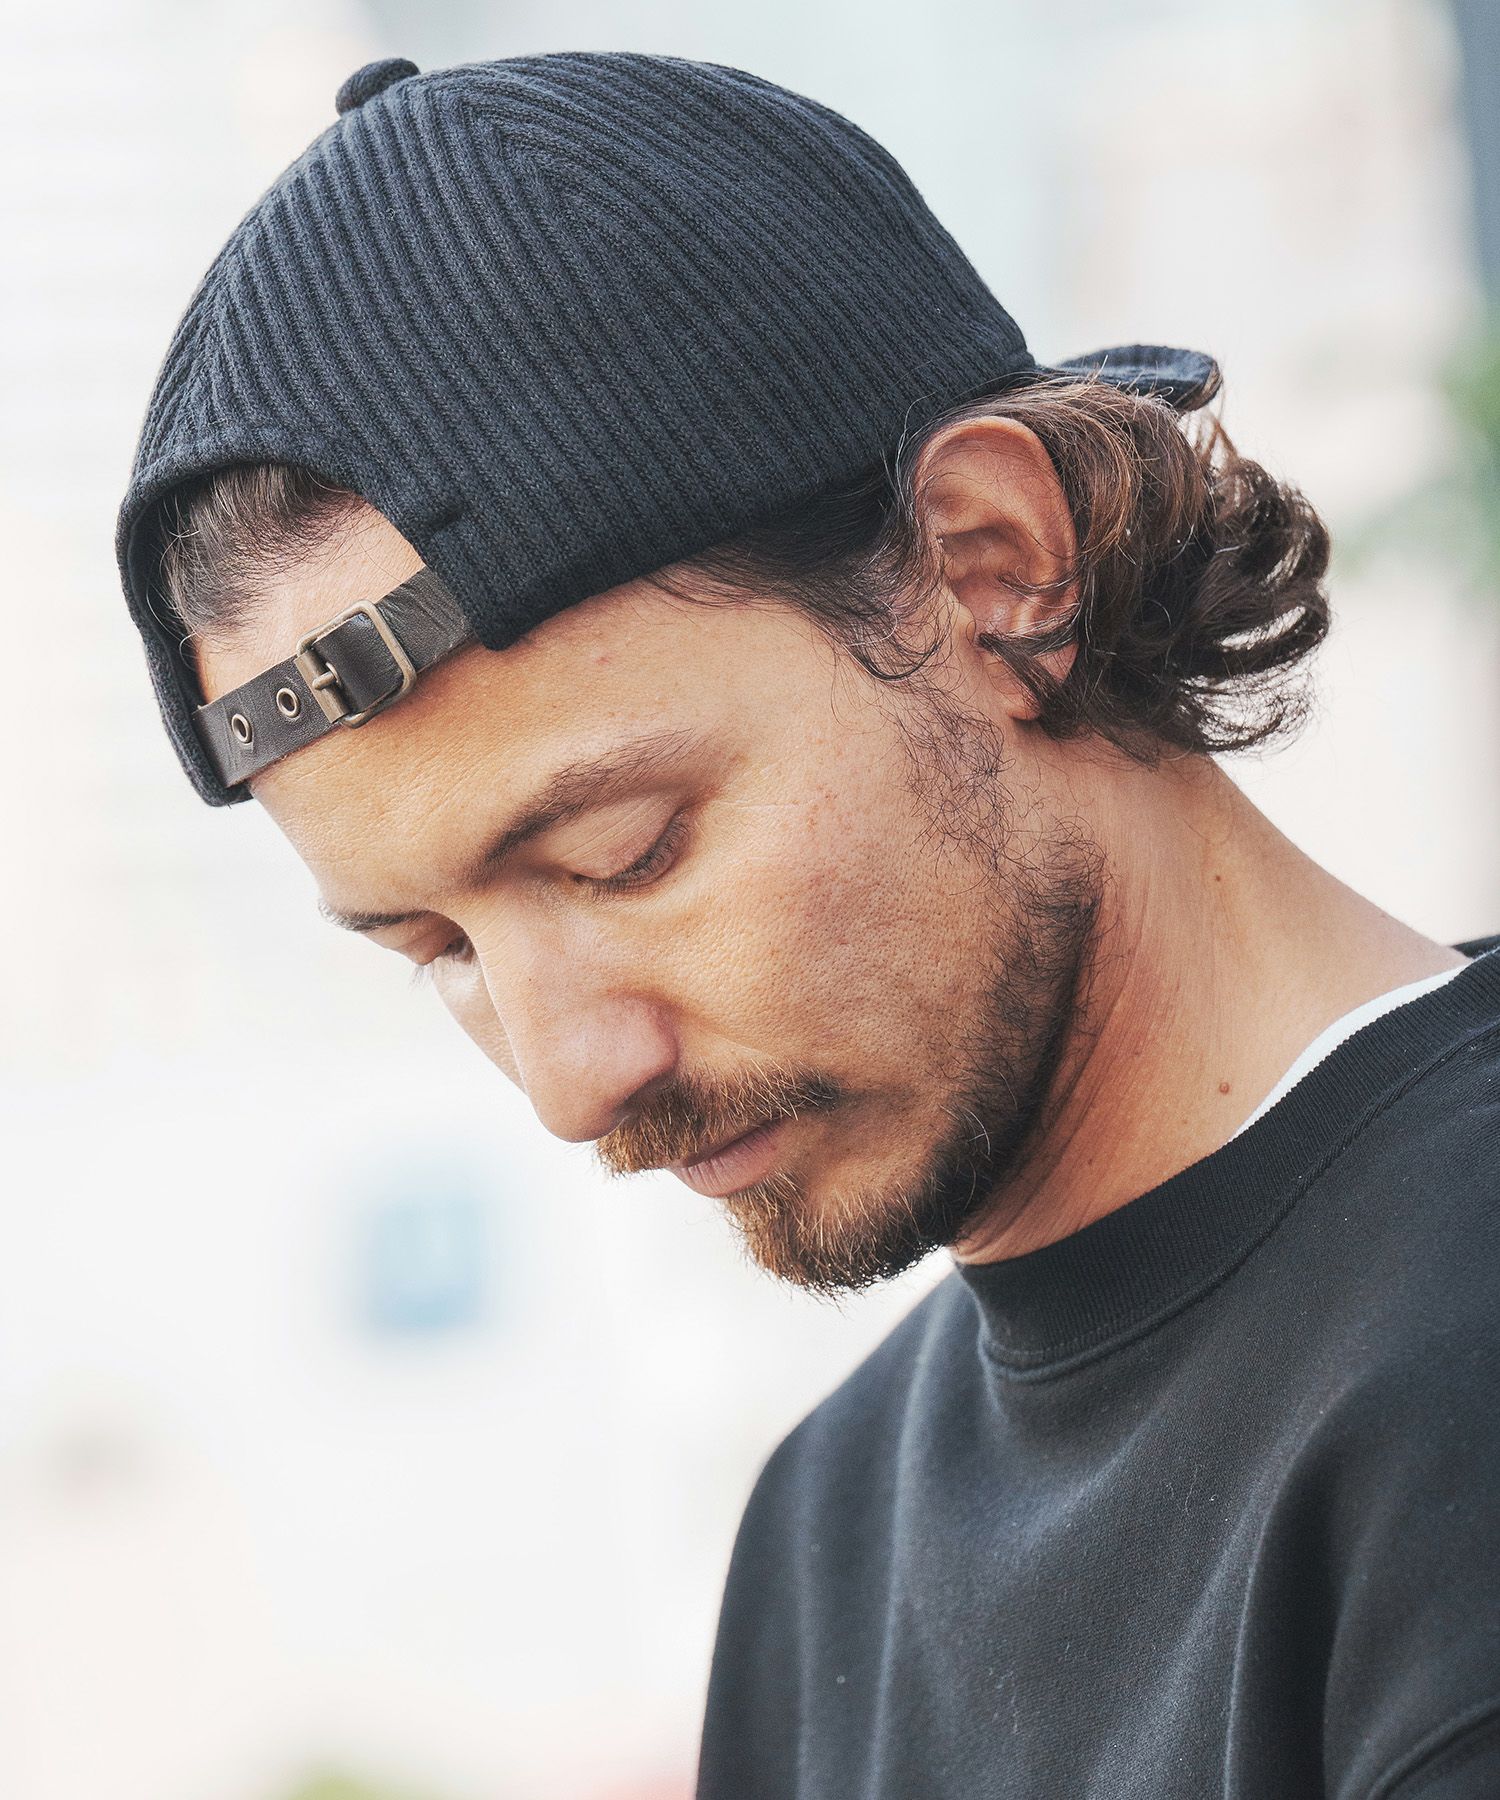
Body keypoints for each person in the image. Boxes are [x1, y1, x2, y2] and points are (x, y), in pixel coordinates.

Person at [113, 51, 1499, 1800]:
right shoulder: (825, 1533)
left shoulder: (1456, 1373)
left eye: (623, 855)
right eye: (439, 951)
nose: (570, 1083)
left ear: (997, 570)